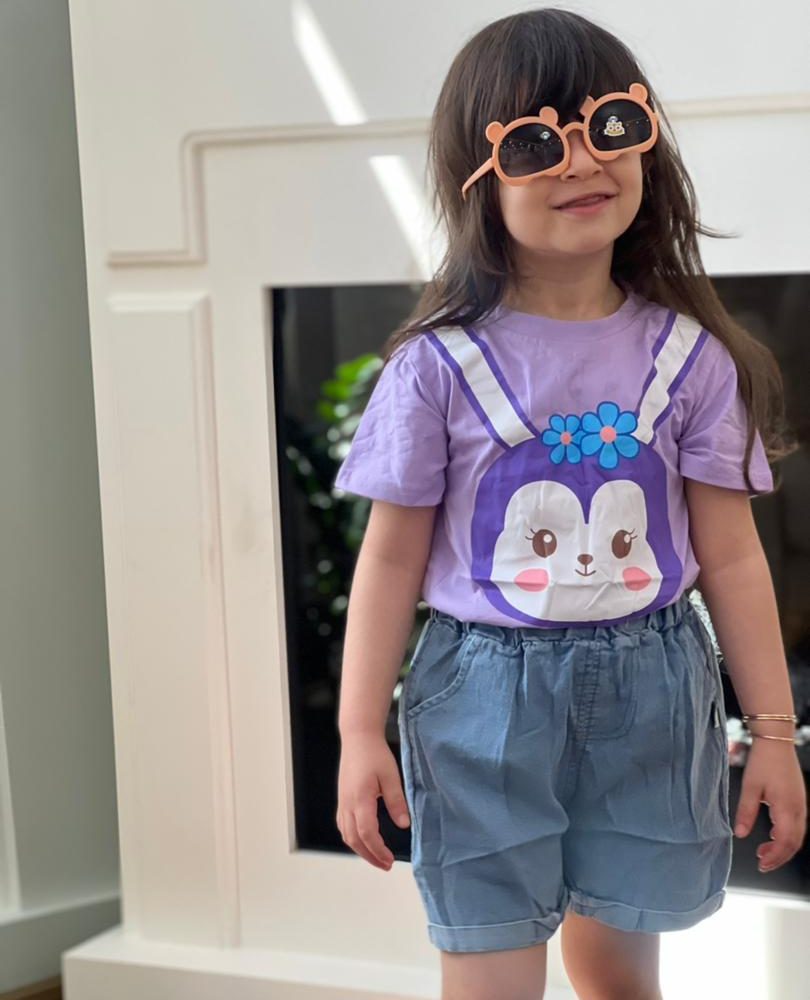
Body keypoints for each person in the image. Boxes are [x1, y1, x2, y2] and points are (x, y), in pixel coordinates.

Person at [333, 9, 807, 999]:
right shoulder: (436, 369)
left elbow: (732, 557)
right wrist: (358, 732)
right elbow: (389, 559)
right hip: (482, 702)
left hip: (654, 696)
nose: (583, 160)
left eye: (612, 127)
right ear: (478, 179)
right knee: (492, 979)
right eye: (535, 143)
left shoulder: (691, 360)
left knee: (622, 977)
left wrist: (771, 731)